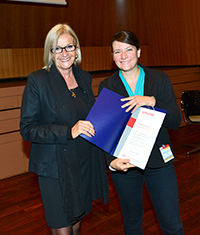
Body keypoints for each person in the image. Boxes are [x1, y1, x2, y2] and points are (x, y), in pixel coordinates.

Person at [20, 23, 109, 235]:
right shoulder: (37, 81)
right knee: (63, 230)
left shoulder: (84, 78)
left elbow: (91, 118)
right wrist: (69, 131)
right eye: (57, 48)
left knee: (76, 226)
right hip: (54, 168)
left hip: (84, 164)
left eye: (69, 47)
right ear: (50, 52)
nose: (64, 53)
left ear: (77, 49)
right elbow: (28, 129)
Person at [98, 30, 185, 235]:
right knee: (132, 221)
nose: (123, 56)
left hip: (159, 160)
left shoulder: (159, 79)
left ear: (139, 51)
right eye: (117, 51)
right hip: (125, 163)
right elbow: (105, 131)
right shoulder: (107, 86)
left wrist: (152, 101)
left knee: (171, 222)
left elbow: (175, 120)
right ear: (112, 56)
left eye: (128, 49)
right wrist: (111, 161)